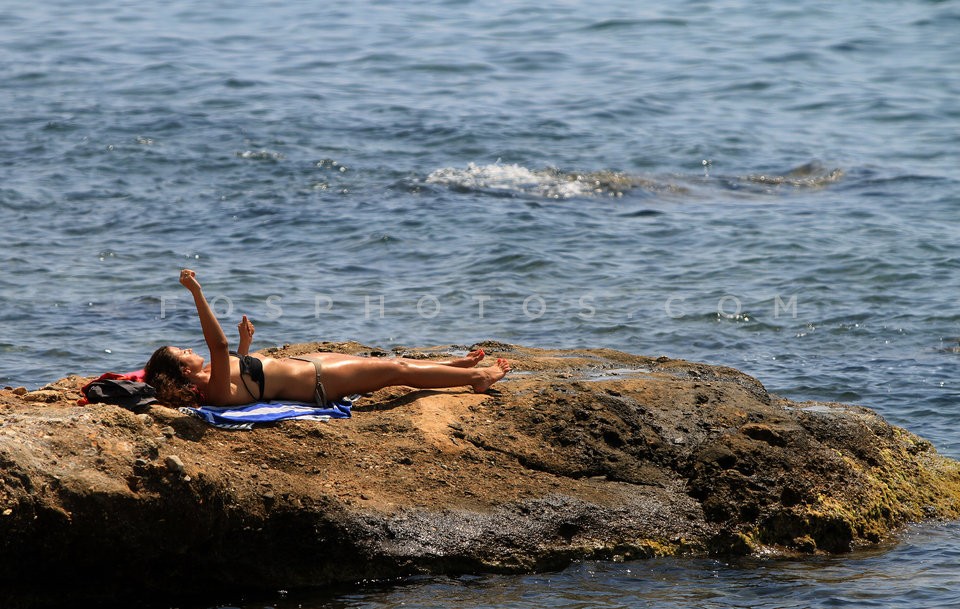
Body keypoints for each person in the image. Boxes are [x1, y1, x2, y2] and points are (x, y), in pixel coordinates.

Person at [144, 270, 511, 408]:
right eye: (183, 353)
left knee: (383, 366)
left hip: (312, 367)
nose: (190, 350)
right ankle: (476, 378)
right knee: (395, 368)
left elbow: (244, 369)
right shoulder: (214, 392)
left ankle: (449, 367)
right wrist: (196, 292)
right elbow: (219, 347)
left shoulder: (213, 376)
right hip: (321, 382)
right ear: (183, 373)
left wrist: (245, 346)